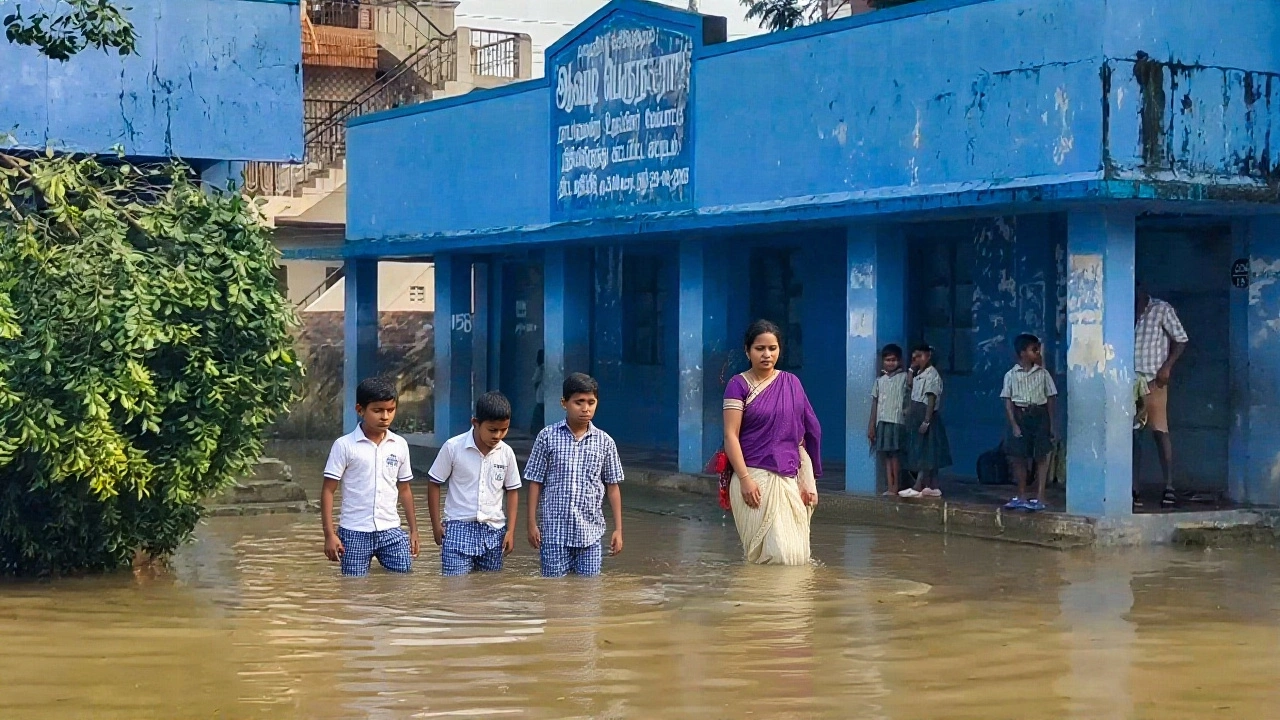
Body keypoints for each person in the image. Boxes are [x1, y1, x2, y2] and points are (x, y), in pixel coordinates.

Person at [723, 319, 822, 565]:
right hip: (754, 480)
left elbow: (802, 437)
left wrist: (806, 480)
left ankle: (788, 604)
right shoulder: (738, 385)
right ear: (747, 351)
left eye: (772, 348)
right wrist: (745, 480)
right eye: (760, 349)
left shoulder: (792, 383)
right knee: (770, 556)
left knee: (795, 557)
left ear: (780, 350)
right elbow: (730, 436)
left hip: (788, 479)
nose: (767, 355)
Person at [525, 372, 624, 578]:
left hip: (591, 534)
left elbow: (612, 487)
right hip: (554, 534)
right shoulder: (547, 437)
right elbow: (535, 482)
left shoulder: (605, 442)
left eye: (591, 402)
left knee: (587, 595)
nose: (586, 408)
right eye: (579, 402)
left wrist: (618, 529)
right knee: (554, 594)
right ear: (564, 403)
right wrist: (532, 523)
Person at [320, 377, 419, 577]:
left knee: (403, 584)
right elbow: (328, 491)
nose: (385, 417)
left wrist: (414, 531)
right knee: (353, 590)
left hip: (391, 530)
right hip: (354, 531)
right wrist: (329, 535)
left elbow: (405, 490)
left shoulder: (399, 445)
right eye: (378, 410)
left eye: (390, 410)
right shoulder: (344, 445)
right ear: (360, 410)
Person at [427, 391, 522, 576]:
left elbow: (512, 491)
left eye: (504, 430)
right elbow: (434, 483)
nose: (498, 435)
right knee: (455, 589)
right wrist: (436, 525)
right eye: (492, 430)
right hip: (457, 528)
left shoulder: (506, 453)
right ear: (475, 423)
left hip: (494, 531)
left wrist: (510, 530)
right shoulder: (453, 447)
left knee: (489, 590)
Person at [1134, 283, 1189, 508]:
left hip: (1154, 380)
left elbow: (1181, 340)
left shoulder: (1161, 309)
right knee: (1131, 436)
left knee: (1159, 431)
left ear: (1142, 292)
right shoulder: (1122, 309)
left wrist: (1167, 367)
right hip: (1127, 382)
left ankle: (1169, 486)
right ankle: (1133, 487)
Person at [1000, 334, 1059, 512]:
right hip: (1020, 414)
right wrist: (1014, 425)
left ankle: (1040, 495)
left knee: (1041, 455)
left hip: (1039, 415)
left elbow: (1050, 398)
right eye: (1034, 350)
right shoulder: (1010, 375)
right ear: (1022, 353)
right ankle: (1022, 495)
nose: (1038, 353)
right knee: (1019, 457)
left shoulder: (1043, 374)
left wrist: (1051, 423)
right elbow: (1008, 402)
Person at [899, 344, 952, 498]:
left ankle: (918, 485)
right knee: (925, 450)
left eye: (920, 356)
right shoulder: (919, 374)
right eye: (915, 357)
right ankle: (933, 486)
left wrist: (927, 420)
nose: (917, 360)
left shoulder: (932, 375)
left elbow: (931, 398)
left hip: (926, 416)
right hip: (916, 415)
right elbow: (910, 384)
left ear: (928, 356)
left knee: (925, 452)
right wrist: (911, 368)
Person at [867, 344, 910, 496]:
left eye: (894, 360)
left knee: (895, 455)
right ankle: (890, 486)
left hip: (897, 421)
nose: (890, 363)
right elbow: (875, 403)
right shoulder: (880, 380)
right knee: (886, 455)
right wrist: (872, 424)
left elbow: (910, 392)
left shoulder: (904, 377)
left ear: (899, 361)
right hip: (882, 422)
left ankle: (895, 486)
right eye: (887, 360)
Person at [530, 349, 545, 435]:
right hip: (546, 399)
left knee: (537, 420)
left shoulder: (541, 368)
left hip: (541, 399)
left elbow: (535, 380)